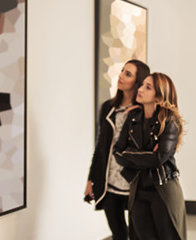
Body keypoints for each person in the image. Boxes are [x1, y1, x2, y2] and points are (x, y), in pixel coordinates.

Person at [114, 72, 187, 240]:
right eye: (142, 85)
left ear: (160, 95)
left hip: (163, 188)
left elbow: (158, 158)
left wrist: (131, 154)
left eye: (148, 87)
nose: (140, 89)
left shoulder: (170, 120)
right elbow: (118, 153)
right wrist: (145, 155)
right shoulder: (133, 118)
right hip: (138, 189)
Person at [84, 59, 150, 240]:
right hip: (110, 184)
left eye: (127, 74)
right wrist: (91, 179)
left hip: (134, 185)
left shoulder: (143, 112)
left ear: (137, 82)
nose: (120, 76)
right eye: (122, 71)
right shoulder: (108, 107)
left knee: (138, 235)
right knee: (119, 234)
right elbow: (101, 145)